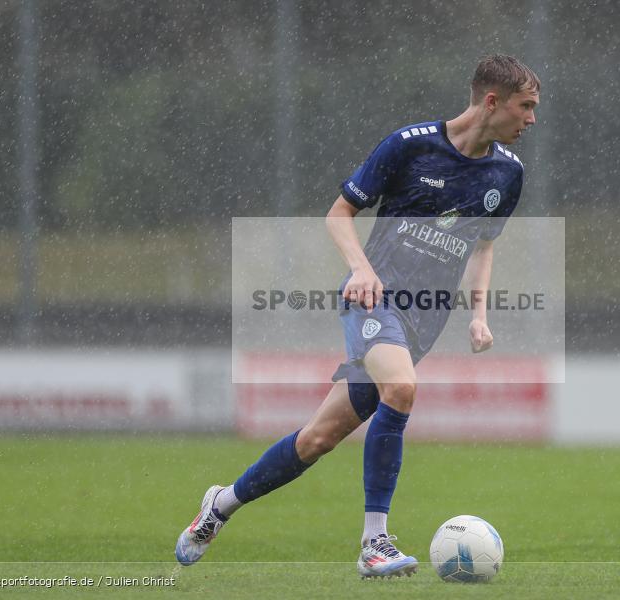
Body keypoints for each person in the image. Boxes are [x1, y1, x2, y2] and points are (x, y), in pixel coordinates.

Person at [175, 54, 539, 578]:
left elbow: (483, 246)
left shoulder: (507, 173)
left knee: (317, 439)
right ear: (491, 101)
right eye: (525, 107)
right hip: (372, 300)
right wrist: (361, 270)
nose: (531, 119)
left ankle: (220, 505)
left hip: (422, 322)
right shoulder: (411, 145)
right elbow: (339, 213)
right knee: (403, 390)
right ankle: (375, 542)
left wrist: (477, 315)